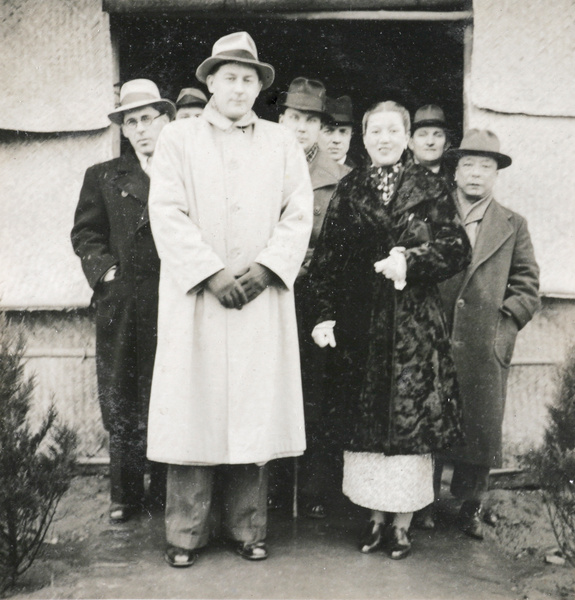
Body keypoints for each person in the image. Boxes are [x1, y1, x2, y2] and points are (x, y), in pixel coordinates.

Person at [145, 31, 313, 568]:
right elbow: (166, 211)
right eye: (229, 77)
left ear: (258, 87)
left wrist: (266, 269)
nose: (238, 87)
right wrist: (211, 274)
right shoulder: (179, 139)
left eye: (248, 78)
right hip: (199, 297)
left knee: (251, 412)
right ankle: (185, 533)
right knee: (193, 409)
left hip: (259, 300)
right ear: (210, 81)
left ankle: (248, 529)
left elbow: (298, 213)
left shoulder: (280, 143)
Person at [309, 101, 471, 559]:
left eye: (392, 131)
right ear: (364, 139)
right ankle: (374, 519)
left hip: (413, 325)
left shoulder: (431, 186)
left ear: (406, 137)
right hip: (360, 322)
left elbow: (456, 247)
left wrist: (411, 261)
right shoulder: (350, 187)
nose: (383, 138)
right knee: (364, 424)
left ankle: (403, 524)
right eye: (374, 131)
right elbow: (327, 261)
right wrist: (324, 314)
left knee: (408, 422)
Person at [71, 79, 175, 524]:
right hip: (125, 301)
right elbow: (85, 233)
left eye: (147, 118)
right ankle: (125, 495)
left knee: (169, 394)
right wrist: (105, 272)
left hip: (173, 299)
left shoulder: (184, 171)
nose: (140, 129)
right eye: (131, 121)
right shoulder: (104, 175)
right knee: (123, 394)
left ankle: (169, 490)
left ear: (166, 121)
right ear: (124, 130)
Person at [434, 129, 540, 539]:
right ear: (456, 170)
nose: (476, 174)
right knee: (430, 418)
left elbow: (528, 284)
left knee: (479, 427)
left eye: (486, 166)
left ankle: (469, 505)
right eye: (468, 165)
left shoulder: (514, 224)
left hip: (485, 341)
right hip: (436, 334)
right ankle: (422, 503)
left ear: (496, 174)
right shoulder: (433, 213)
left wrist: (506, 325)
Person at [274, 78, 346, 519]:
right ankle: (275, 490)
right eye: (294, 117)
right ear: (280, 119)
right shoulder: (259, 163)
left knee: (317, 394)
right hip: (268, 292)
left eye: (311, 120)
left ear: (322, 127)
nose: (301, 128)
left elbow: (342, 245)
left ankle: (317, 490)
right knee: (271, 391)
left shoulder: (340, 180)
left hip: (316, 298)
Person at [408, 104, 451, 179]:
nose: (430, 142)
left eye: (438, 135)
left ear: (447, 144)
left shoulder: (455, 181)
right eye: (422, 135)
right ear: (411, 143)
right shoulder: (398, 180)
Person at [319, 95, 355, 169]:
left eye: (343, 132)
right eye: (329, 131)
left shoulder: (360, 176)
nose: (336, 140)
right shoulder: (304, 171)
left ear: (351, 135)